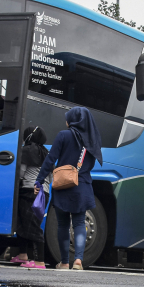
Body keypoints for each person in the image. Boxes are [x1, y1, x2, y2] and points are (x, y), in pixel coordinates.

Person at [35, 107, 103, 270]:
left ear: (73, 120)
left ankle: (65, 262)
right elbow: (92, 164)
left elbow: (50, 159)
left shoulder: (63, 135)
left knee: (63, 224)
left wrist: (39, 180)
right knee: (79, 223)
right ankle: (78, 260)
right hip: (83, 185)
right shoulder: (92, 140)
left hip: (63, 185)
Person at [11, 126, 50, 269]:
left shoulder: (27, 150)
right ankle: (22, 255)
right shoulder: (46, 152)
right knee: (26, 222)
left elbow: (21, 173)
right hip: (43, 192)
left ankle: (39, 261)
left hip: (29, 191)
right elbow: (50, 177)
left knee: (29, 224)